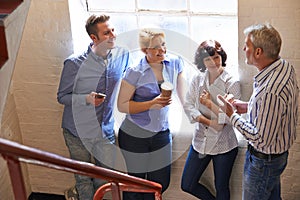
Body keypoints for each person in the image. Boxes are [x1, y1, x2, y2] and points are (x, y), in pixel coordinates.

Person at [217, 23, 299, 200]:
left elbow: (260, 138)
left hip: (264, 162)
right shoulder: (283, 67)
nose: (243, 48)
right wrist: (247, 106)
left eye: (247, 45)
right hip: (276, 157)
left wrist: (232, 115)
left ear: (258, 52)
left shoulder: (269, 90)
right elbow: (274, 111)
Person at [57, 14, 131, 200]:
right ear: (94, 38)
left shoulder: (122, 56)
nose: (113, 35)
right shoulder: (74, 64)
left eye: (113, 30)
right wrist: (86, 99)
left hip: (104, 130)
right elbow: (61, 97)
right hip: (76, 132)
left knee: (105, 180)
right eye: (107, 33)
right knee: (83, 179)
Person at [117, 27, 185, 200]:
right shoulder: (135, 71)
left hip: (161, 132)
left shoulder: (175, 63)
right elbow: (122, 105)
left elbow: (184, 95)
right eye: (155, 47)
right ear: (144, 50)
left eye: (163, 44)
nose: (161, 50)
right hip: (134, 134)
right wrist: (151, 104)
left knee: (160, 183)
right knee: (136, 185)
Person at [181, 40, 241, 200]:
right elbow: (188, 106)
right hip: (200, 141)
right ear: (202, 62)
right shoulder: (197, 79)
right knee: (187, 184)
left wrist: (209, 103)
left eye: (215, 57)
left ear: (221, 56)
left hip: (224, 144)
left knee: (221, 187)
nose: (213, 62)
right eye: (208, 59)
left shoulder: (232, 83)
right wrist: (209, 122)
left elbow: (232, 117)